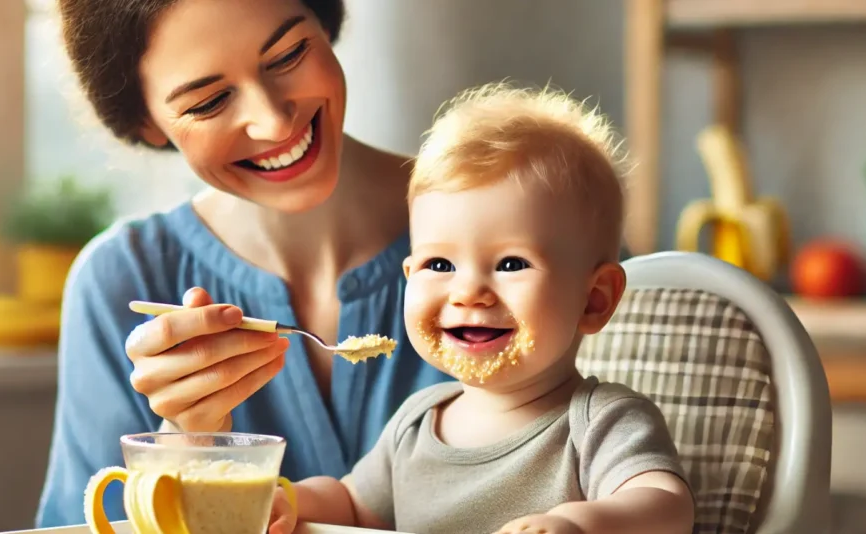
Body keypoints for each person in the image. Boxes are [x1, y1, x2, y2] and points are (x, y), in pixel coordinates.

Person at [35, 0, 455, 527]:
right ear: (146, 121)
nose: (274, 121)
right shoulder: (120, 280)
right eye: (210, 101)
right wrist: (184, 439)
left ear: (324, 23)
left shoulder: (514, 229)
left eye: (288, 54)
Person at [267, 83, 695, 534]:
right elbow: (353, 503)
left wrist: (578, 524)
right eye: (440, 264)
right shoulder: (415, 422)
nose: (468, 292)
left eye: (511, 263)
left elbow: (665, 505)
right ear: (409, 275)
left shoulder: (600, 422)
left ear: (594, 299)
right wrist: (289, 500)